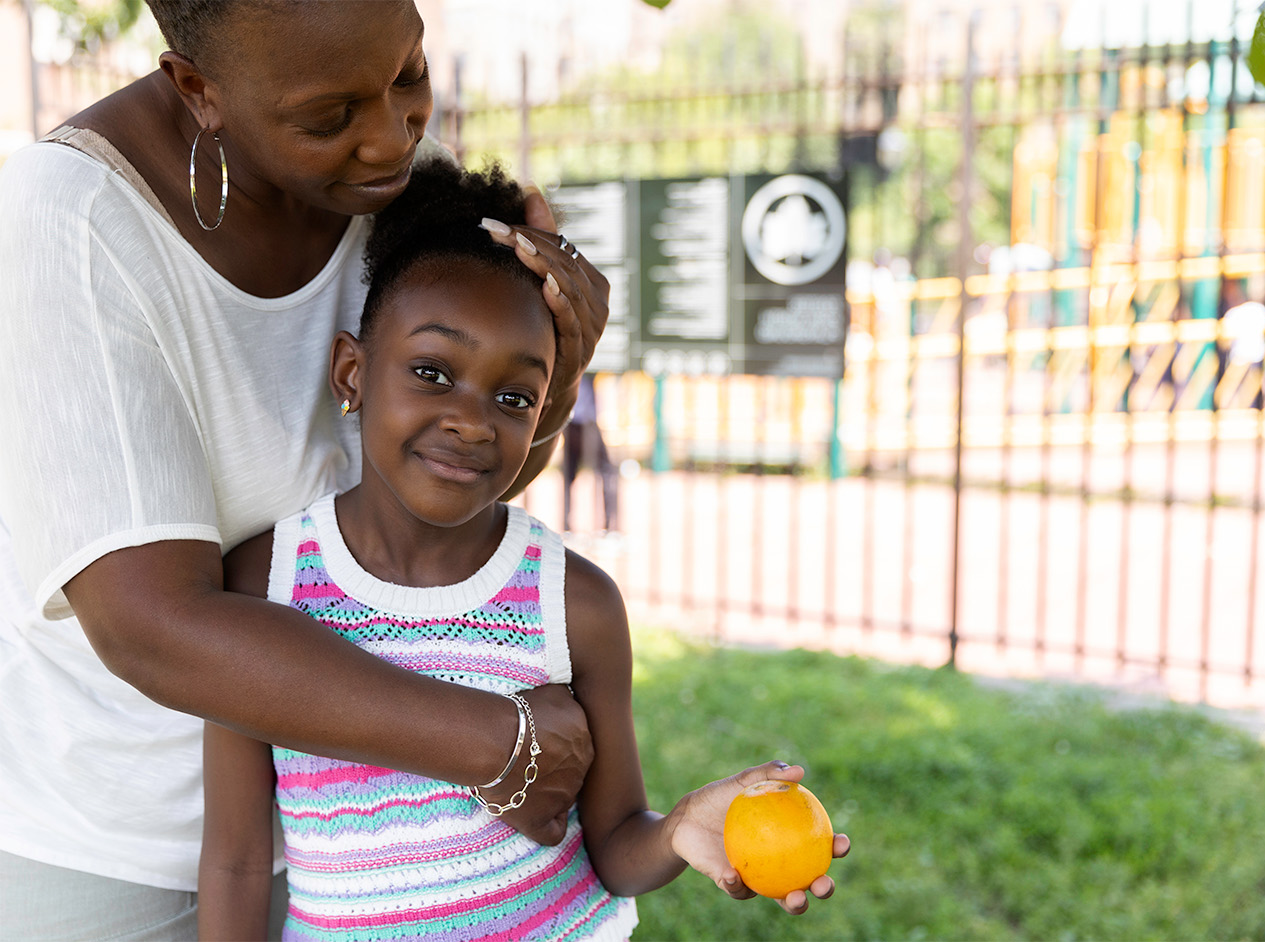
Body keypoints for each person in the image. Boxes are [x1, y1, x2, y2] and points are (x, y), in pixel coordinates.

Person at [0, 2, 623, 936]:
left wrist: (556, 370)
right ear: (197, 89)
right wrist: (493, 741)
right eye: (330, 118)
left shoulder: (390, 188)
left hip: (380, 848)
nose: (391, 138)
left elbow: (440, 504)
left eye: (408, 74)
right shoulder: (71, 223)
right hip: (136, 858)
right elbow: (150, 626)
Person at [198, 159, 847, 940]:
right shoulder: (262, 584)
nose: (473, 422)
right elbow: (236, 860)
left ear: (546, 413)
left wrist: (677, 830)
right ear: (353, 372)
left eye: (513, 397)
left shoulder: (574, 603)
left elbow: (613, 846)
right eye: (432, 372)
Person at [562, 373, 621, 535]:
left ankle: (568, 525)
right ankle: (608, 526)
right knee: (605, 472)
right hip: (581, 422)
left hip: (575, 422)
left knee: (569, 475)